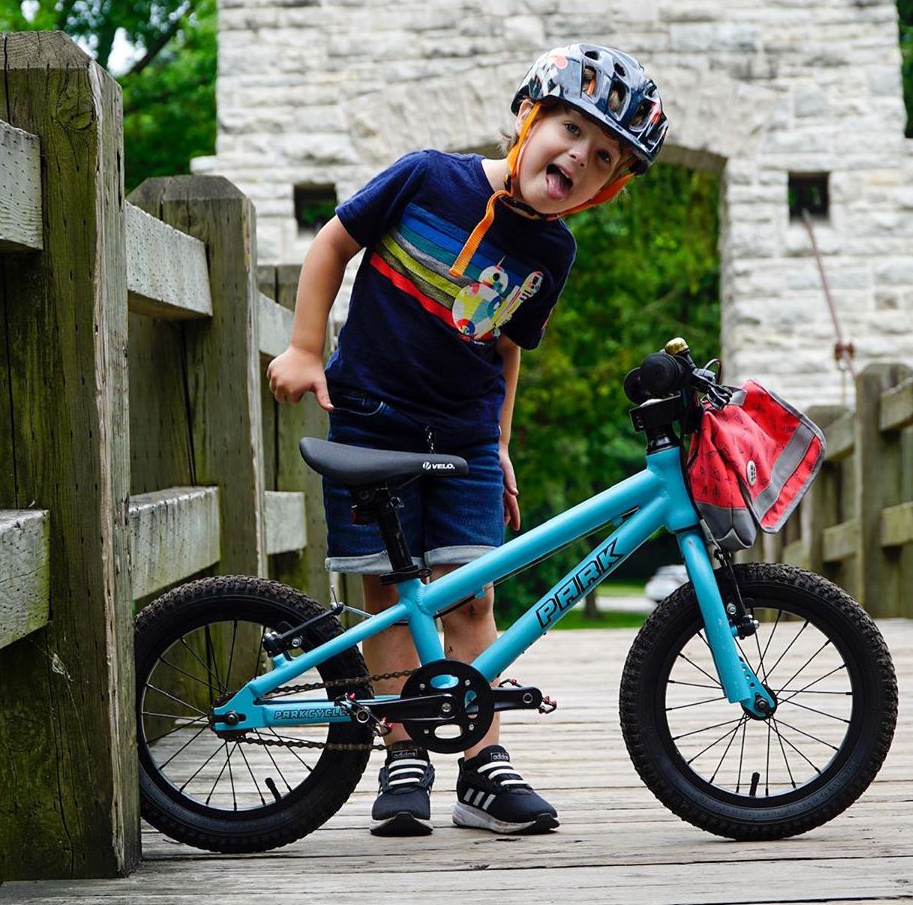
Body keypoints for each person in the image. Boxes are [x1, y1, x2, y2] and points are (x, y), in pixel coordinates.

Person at [267, 43, 667, 836]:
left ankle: (482, 762)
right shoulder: (427, 176)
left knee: (471, 592)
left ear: (608, 185)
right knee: (386, 590)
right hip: (373, 417)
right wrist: (307, 346)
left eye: (603, 158)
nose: (578, 157)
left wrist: (502, 443)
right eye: (569, 130)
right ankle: (403, 748)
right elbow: (332, 245)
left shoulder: (552, 251)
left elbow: (507, 346)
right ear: (530, 119)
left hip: (466, 437)